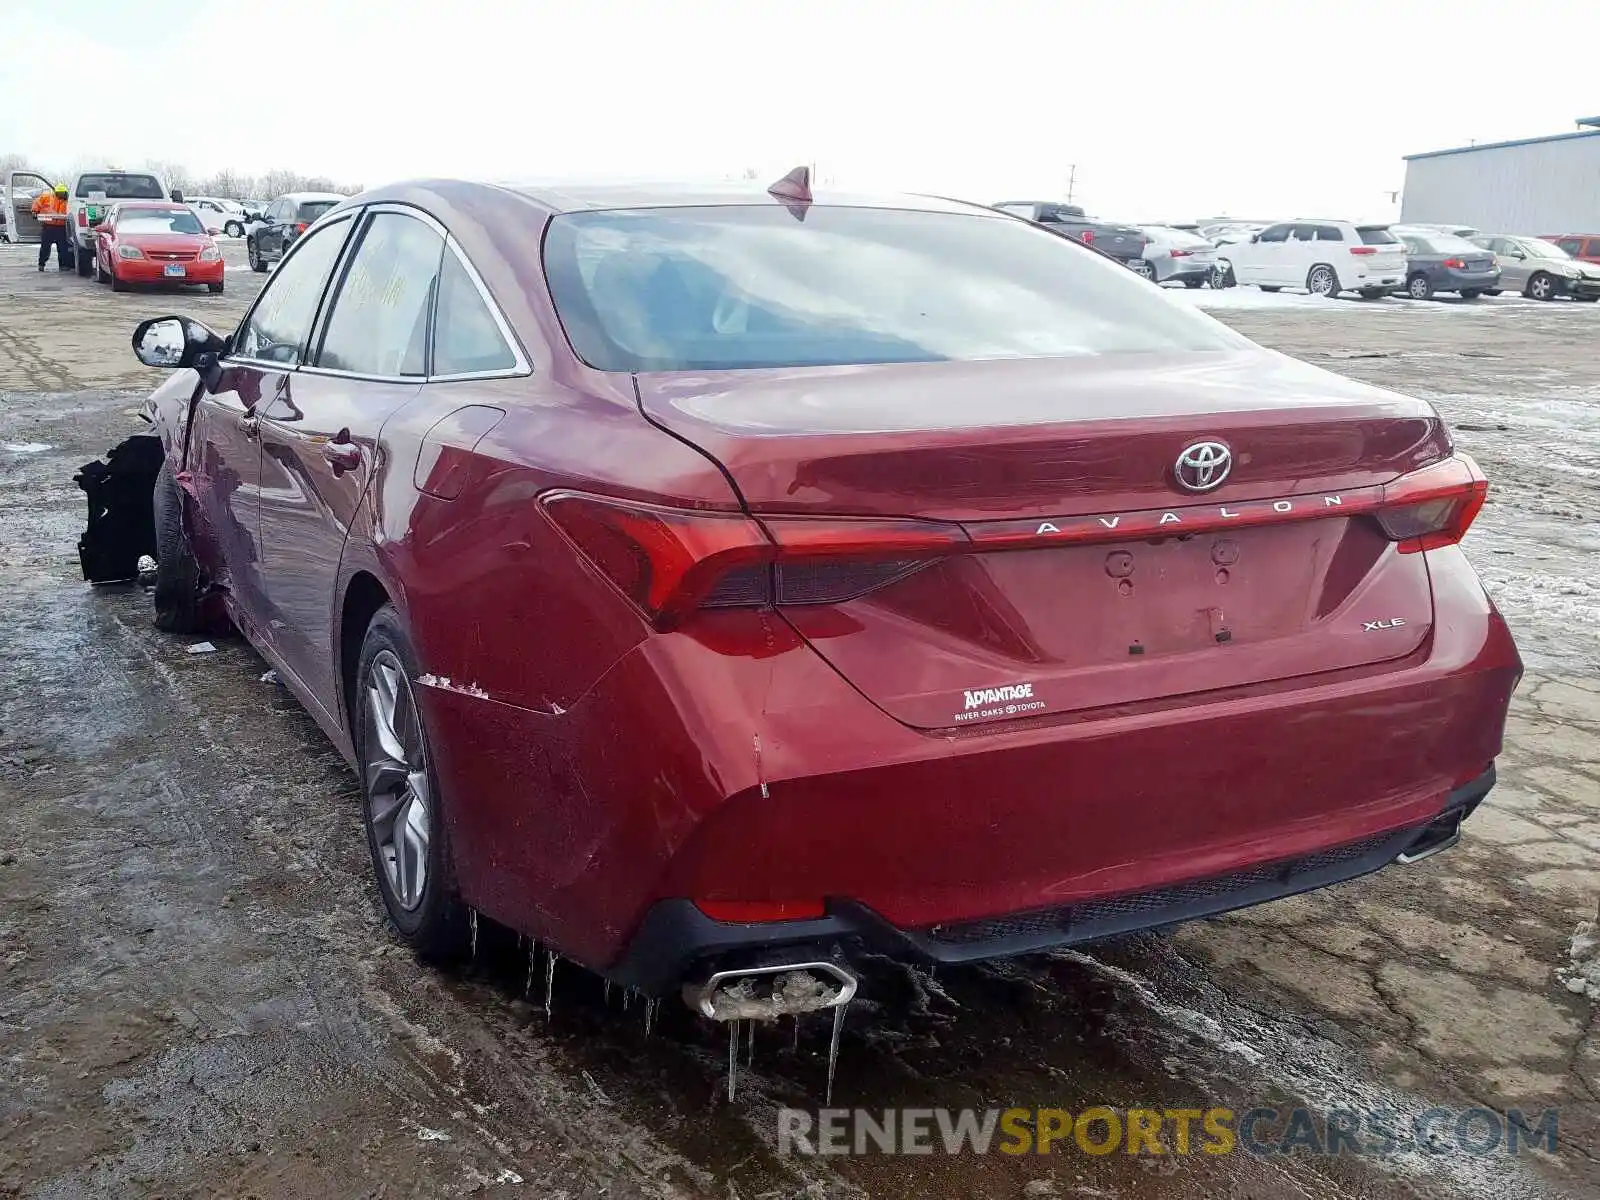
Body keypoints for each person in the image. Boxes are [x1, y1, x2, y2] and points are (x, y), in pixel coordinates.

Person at [32, 184, 71, 272]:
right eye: (58, 193)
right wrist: (34, 211)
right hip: (48, 226)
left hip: (62, 227)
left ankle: (63, 265)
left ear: (65, 193)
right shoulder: (47, 197)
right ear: (55, 192)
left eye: (62, 193)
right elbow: (37, 202)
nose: (60, 195)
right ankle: (41, 264)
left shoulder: (68, 201)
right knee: (45, 247)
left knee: (63, 248)